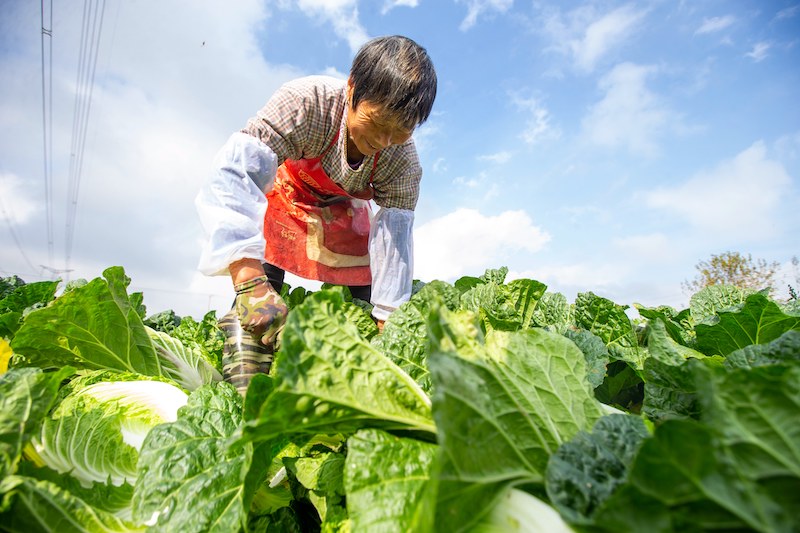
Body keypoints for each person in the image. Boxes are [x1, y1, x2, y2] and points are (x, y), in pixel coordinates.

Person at [195, 35, 437, 394]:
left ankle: (358, 385)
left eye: (400, 131)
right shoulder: (306, 103)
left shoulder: (403, 163)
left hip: (341, 210)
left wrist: (390, 323)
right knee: (261, 290)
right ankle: (246, 381)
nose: (384, 141)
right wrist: (249, 280)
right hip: (287, 195)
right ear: (352, 87)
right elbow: (237, 171)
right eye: (377, 122)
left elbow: (393, 240)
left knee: (367, 300)